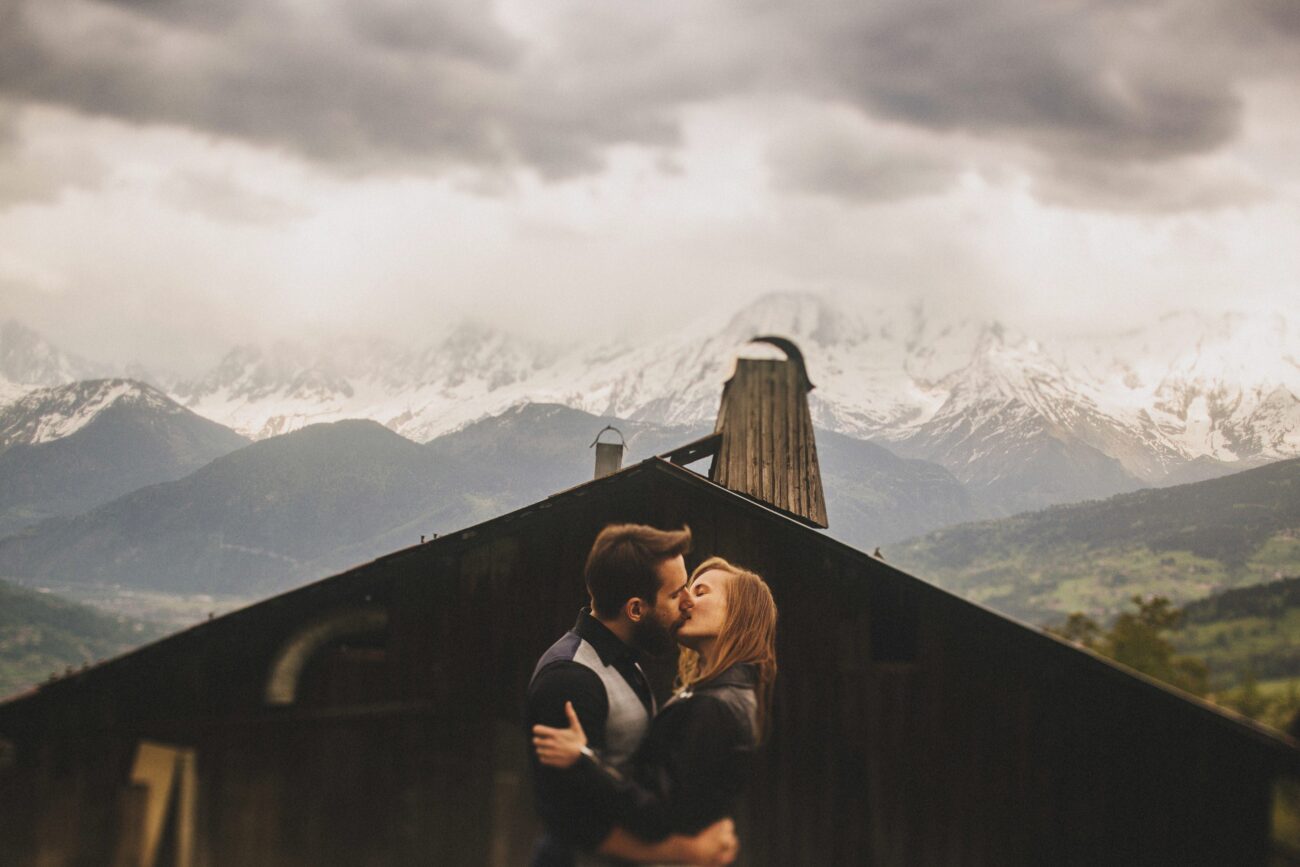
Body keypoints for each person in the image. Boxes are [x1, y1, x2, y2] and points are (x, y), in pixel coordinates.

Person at [533, 556, 777, 859]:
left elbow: (659, 814)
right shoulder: (716, 693)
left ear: (739, 613)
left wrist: (583, 759)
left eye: (701, 592)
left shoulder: (716, 705)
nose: (685, 601)